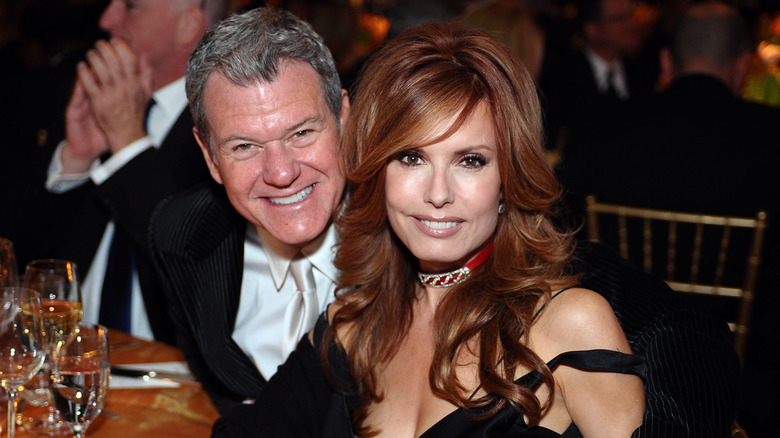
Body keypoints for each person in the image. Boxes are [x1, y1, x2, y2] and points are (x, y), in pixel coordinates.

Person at [213, 22, 645, 437]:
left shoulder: (568, 326)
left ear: (507, 180)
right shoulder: (353, 330)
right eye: (412, 158)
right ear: (379, 171)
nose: (438, 194)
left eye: (470, 160)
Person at [561, 2, 780, 434]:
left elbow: (567, 234)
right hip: (752, 372)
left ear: (665, 62)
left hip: (616, 350)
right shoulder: (771, 138)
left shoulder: (600, 128)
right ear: (743, 66)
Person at [149, 6, 350, 413]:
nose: (280, 172)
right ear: (209, 156)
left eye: (301, 133)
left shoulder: (417, 237)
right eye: (244, 146)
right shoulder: (182, 235)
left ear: (344, 120)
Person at [4, 0, 230, 345]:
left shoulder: (229, 126)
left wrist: (127, 142)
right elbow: (24, 259)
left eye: (131, 6)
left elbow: (191, 265)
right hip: (70, 355)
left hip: (172, 371)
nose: (106, 19)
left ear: (188, 25)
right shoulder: (87, 95)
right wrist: (75, 162)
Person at [539, 0, 656, 152]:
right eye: (619, 18)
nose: (630, 25)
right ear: (592, 28)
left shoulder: (644, 74)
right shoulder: (561, 77)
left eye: (631, 16)